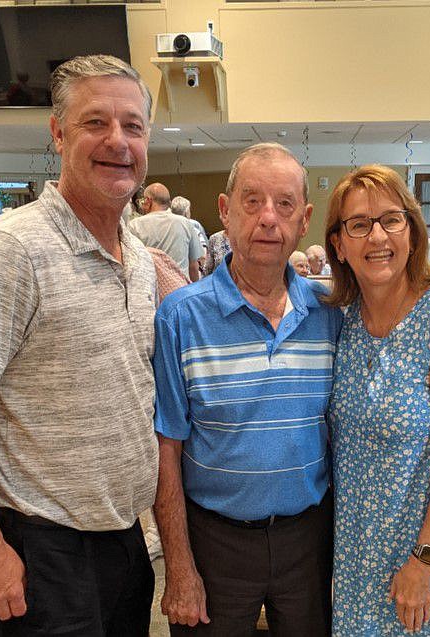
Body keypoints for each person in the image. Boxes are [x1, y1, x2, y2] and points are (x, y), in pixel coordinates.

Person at [0, 54, 159, 636]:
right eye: (95, 122)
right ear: (57, 133)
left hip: (122, 541)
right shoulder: (12, 249)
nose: (117, 141)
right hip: (39, 551)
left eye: (133, 125)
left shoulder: (140, 258)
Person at [153, 142, 342, 636]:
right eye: (252, 201)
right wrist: (178, 565)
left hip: (309, 539)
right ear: (224, 211)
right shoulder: (181, 317)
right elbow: (165, 449)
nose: (267, 219)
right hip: (215, 541)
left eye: (284, 205)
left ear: (304, 221)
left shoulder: (330, 314)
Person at [324, 164, 430, 635]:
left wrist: (425, 560)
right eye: (359, 224)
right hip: (360, 558)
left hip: (429, 560)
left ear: (413, 231)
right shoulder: (345, 324)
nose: (377, 236)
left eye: (391, 220)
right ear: (338, 244)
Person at [129, 182, 203, 282]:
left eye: (143, 201)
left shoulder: (134, 225)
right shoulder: (185, 223)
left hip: (151, 289)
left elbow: (131, 265)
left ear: (148, 200)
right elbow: (193, 265)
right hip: (181, 290)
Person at [171, 195, 209, 277]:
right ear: (187, 212)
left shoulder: (167, 228)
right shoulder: (193, 226)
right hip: (190, 273)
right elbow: (203, 255)